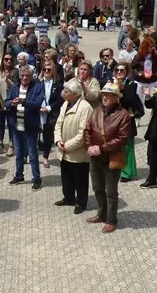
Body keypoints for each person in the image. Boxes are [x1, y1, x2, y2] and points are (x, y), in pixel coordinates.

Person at [83, 82, 131, 233]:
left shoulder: (123, 115)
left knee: (110, 191)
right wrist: (89, 146)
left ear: (116, 98)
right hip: (95, 156)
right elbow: (87, 130)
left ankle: (112, 220)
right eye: (103, 94)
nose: (104, 97)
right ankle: (101, 213)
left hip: (112, 157)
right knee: (97, 187)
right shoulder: (97, 110)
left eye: (108, 95)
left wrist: (101, 148)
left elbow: (121, 139)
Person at [53, 79, 93, 214]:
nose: (63, 93)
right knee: (66, 176)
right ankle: (68, 198)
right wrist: (58, 140)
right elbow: (58, 124)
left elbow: (83, 134)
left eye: (66, 91)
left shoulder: (85, 108)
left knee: (80, 179)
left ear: (75, 94)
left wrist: (68, 146)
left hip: (77, 152)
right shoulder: (65, 104)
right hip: (63, 149)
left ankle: (81, 203)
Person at [6, 65, 45, 189]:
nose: (24, 78)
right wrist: (11, 103)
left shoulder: (37, 87)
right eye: (22, 75)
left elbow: (38, 103)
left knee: (33, 154)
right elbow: (6, 101)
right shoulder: (15, 87)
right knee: (18, 153)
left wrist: (24, 102)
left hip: (30, 127)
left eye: (27, 76)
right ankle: (19, 175)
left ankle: (37, 178)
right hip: (16, 126)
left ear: (31, 76)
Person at [38, 61, 64, 169]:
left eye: (49, 70)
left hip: (50, 113)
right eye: (44, 69)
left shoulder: (58, 84)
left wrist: (48, 108)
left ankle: (45, 157)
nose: (46, 72)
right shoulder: (37, 82)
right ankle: (27, 155)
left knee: (47, 136)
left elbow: (60, 100)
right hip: (38, 112)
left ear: (53, 70)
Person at [0, 53, 18, 156]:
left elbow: (17, 86)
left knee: (11, 123)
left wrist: (8, 81)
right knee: (0, 123)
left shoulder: (15, 71)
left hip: (10, 99)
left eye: (10, 59)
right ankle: (0, 143)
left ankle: (12, 145)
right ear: (3, 60)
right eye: (6, 59)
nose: (8, 61)